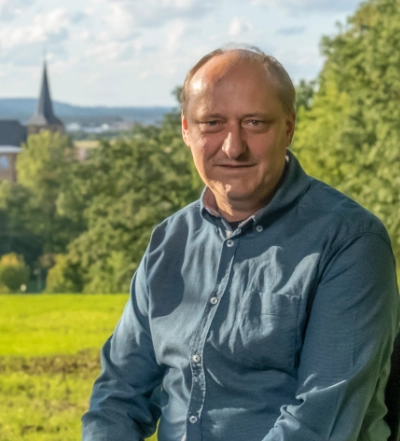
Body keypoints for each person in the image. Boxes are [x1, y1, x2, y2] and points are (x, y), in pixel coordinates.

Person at [82, 46, 400, 441]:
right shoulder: (169, 241)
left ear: (289, 126)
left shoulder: (350, 242)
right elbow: (118, 395)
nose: (233, 146)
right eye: (212, 123)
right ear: (186, 129)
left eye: (254, 122)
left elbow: (320, 422)